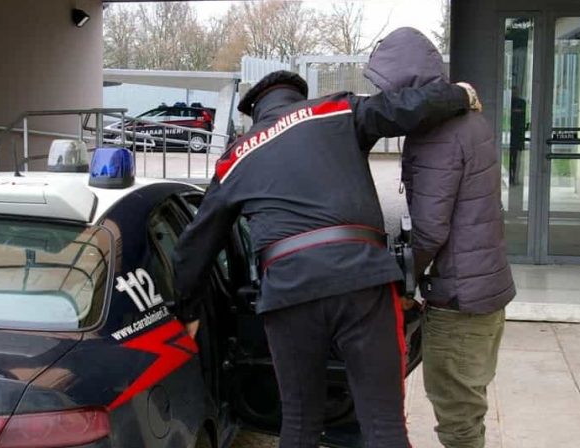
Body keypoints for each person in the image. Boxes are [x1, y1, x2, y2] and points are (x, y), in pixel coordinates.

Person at [172, 69, 481, 448]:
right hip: (363, 282)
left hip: (288, 295)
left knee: (300, 423)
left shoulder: (235, 157)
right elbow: (401, 107)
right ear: (298, 97)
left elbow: (194, 246)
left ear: (255, 113)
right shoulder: (335, 111)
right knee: (384, 424)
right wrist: (459, 94)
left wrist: (188, 311)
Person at [364, 27, 516, 448]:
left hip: (460, 300)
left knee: (457, 418)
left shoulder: (437, 133)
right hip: (488, 287)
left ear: (406, 84)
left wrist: (403, 280)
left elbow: (431, 229)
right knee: (470, 401)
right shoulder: (470, 119)